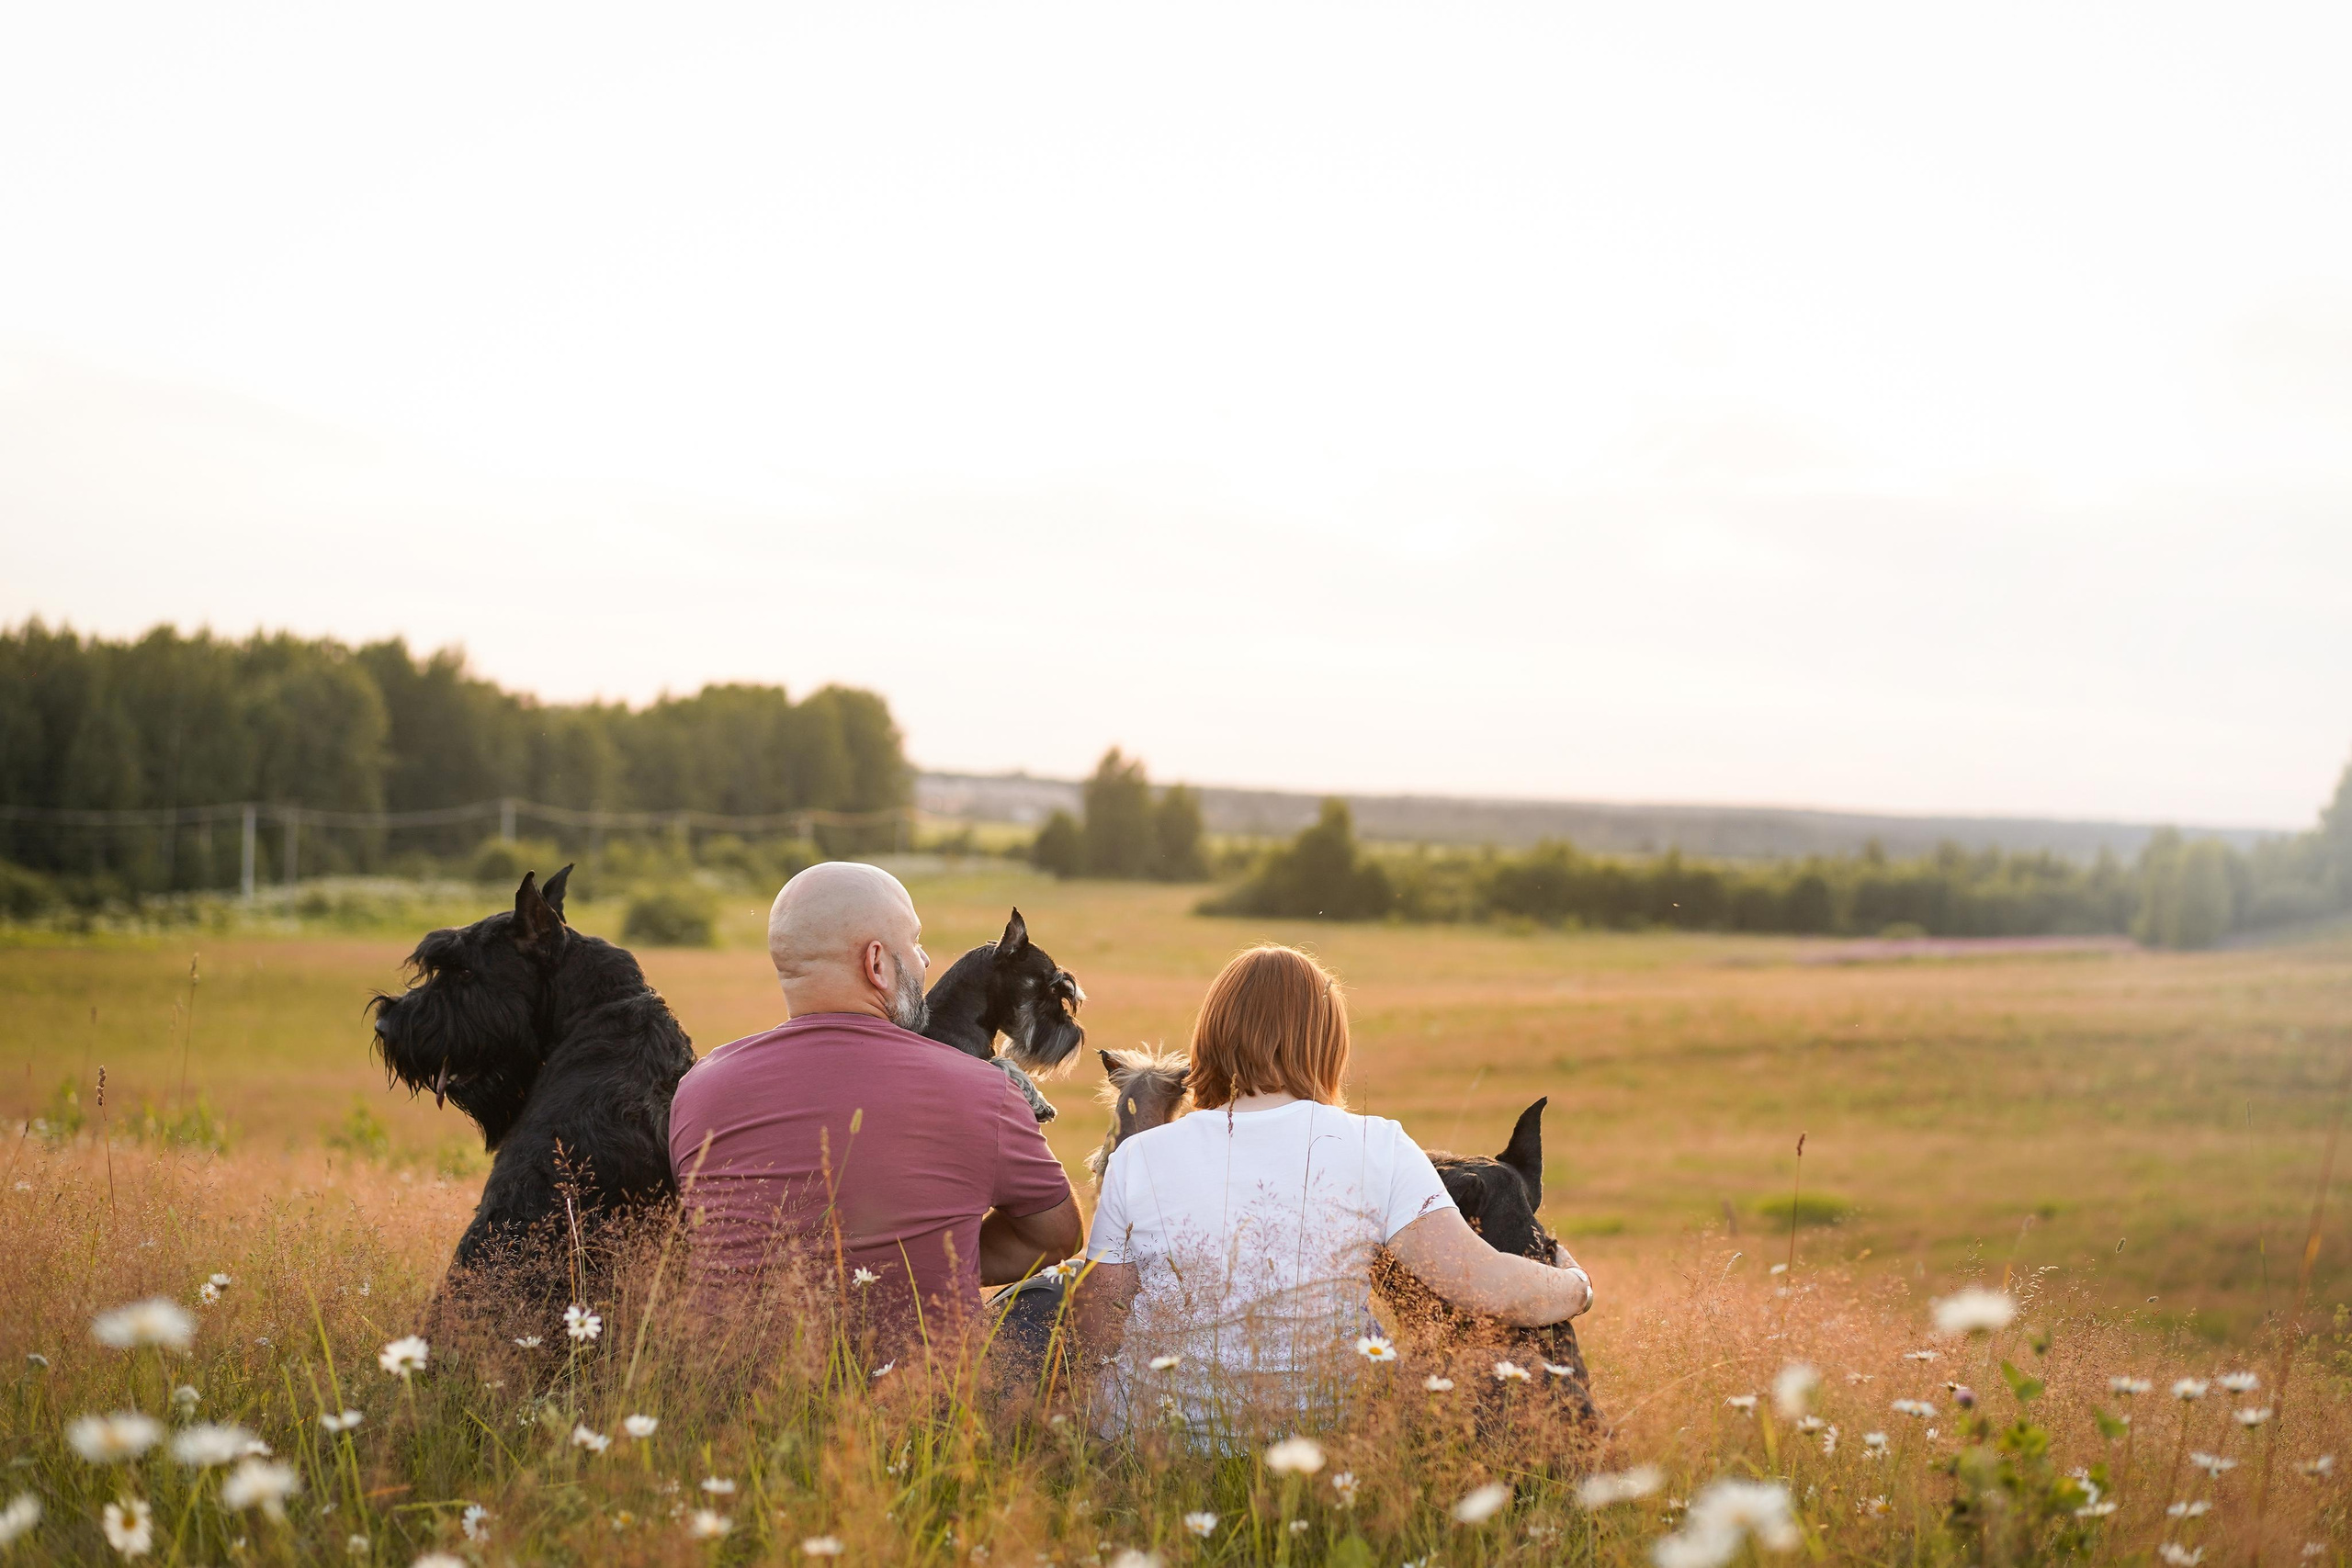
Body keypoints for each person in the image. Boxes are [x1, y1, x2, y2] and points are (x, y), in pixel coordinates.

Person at [1071, 943, 1591, 1439]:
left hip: (1156, 1441)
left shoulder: (1137, 1157)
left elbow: (1095, 1327)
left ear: (1209, 1037)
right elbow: (1486, 1286)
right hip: (1329, 1438)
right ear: (1327, 1042)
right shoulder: (1378, 1145)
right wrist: (1576, 1286)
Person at [668, 862, 1082, 1341]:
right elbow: (1056, 1238)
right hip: (922, 1383)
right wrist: (925, 1264)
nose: (926, 960)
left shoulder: (697, 1089)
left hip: (734, 1378)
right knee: (1068, 1288)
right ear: (877, 963)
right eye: (915, 942)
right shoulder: (986, 1089)